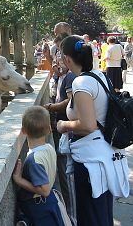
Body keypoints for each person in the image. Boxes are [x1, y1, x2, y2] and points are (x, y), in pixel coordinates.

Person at [57, 35, 129, 226]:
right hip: (105, 155)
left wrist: (63, 126)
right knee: (102, 214)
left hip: (91, 161)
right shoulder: (100, 75)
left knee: (90, 216)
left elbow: (88, 125)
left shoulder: (81, 83)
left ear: (67, 58)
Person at [13, 105, 65, 226]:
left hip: (39, 208)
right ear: (49, 129)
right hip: (49, 203)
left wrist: (19, 180)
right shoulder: (49, 148)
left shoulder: (34, 160)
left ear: (23, 131)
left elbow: (45, 190)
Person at [44, 33, 76, 224]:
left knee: (66, 173)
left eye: (60, 59)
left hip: (65, 129)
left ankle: (72, 216)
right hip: (60, 128)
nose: (57, 62)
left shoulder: (71, 78)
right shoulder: (63, 75)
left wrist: (51, 108)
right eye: (56, 59)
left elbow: (71, 101)